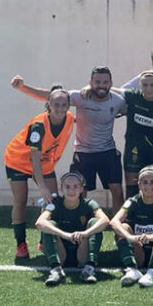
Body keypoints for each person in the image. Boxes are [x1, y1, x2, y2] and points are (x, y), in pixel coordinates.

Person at [11, 67, 127, 216]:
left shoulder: (119, 102)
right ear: (90, 82)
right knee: (79, 192)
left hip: (107, 151)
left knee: (117, 191)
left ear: (111, 83)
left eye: (105, 82)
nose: (101, 85)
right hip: (83, 152)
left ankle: (119, 232)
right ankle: (78, 224)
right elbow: (51, 96)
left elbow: (132, 108)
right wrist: (23, 87)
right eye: (97, 82)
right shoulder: (80, 97)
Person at [4, 85, 75, 259]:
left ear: (68, 105)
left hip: (44, 164)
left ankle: (45, 240)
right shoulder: (39, 126)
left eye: (63, 104)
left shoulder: (70, 118)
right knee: (20, 201)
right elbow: (34, 157)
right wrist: (42, 187)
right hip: (18, 161)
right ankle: (20, 244)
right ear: (48, 105)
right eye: (56, 105)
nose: (60, 108)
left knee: (53, 200)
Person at [35, 172, 110, 286]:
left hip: (82, 252)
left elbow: (105, 220)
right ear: (61, 189)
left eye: (76, 186)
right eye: (67, 187)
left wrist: (85, 233)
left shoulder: (89, 204)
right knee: (49, 224)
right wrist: (65, 235)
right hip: (61, 252)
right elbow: (39, 222)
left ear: (81, 189)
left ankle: (89, 268)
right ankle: (56, 270)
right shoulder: (55, 203)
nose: (71, 190)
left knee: (95, 223)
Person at [110, 166, 153, 287]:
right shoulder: (132, 201)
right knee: (123, 227)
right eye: (144, 182)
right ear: (139, 184)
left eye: (152, 182)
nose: (148, 186)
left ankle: (152, 272)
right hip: (139, 248)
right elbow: (114, 221)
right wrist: (129, 237)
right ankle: (132, 269)